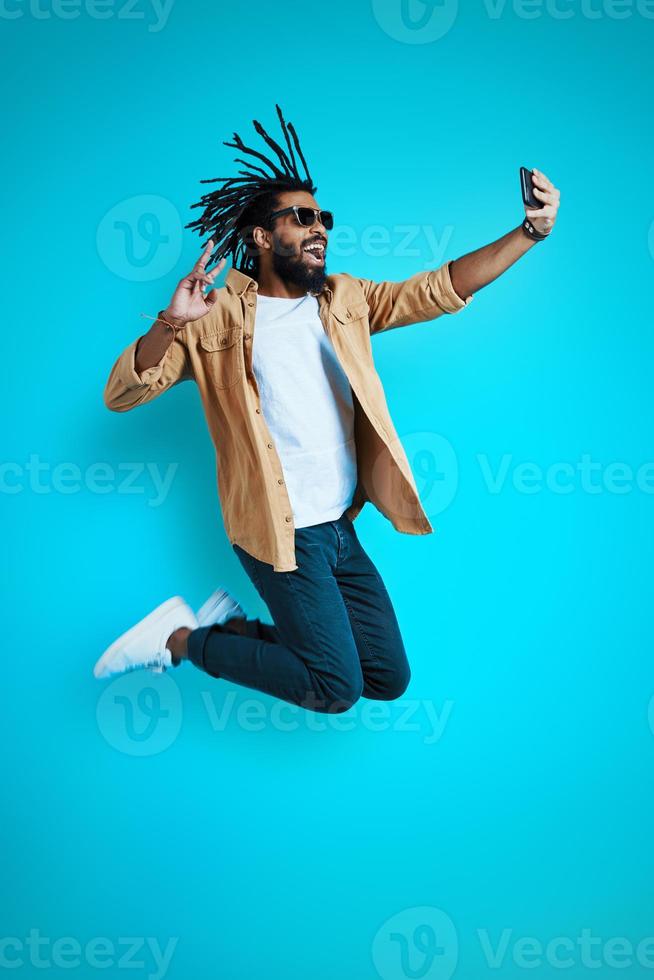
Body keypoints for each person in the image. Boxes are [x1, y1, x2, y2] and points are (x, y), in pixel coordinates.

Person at [94, 105, 560, 714]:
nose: (320, 229)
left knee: (386, 677)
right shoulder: (217, 317)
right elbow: (121, 395)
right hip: (277, 530)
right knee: (334, 688)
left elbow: (438, 288)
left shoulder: (344, 300)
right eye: (302, 218)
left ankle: (233, 632)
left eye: (324, 219)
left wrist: (529, 232)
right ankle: (180, 639)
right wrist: (167, 323)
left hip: (339, 527)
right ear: (262, 237)